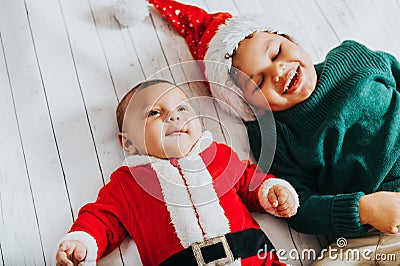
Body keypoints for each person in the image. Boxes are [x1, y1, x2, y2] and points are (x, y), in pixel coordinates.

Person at [147, 0, 400, 264]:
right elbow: (299, 206)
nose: (278, 71)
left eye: (276, 52)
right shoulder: (273, 135)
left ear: (290, 38)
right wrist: (360, 210)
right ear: (249, 104)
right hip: (370, 224)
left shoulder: (352, 58)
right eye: (259, 82)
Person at [55, 79, 299, 266]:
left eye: (182, 108)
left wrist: (273, 191)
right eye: (154, 112)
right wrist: (82, 242)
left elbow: (249, 180)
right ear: (128, 143)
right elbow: (102, 219)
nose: (174, 116)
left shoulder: (218, 156)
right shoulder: (128, 184)